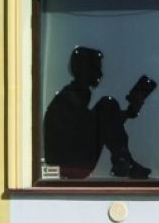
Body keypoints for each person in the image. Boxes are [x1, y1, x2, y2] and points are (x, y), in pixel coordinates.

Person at [43, 47, 152, 180]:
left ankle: (123, 162)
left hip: (70, 161)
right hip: (68, 164)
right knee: (107, 104)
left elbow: (93, 124)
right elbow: (89, 125)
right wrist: (117, 115)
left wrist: (125, 114)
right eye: (96, 68)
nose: (100, 74)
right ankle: (123, 162)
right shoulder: (71, 96)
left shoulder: (73, 95)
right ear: (85, 70)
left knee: (108, 106)